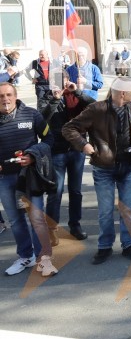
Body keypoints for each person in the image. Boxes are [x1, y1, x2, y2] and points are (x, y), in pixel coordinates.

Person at [62, 77, 131, 264]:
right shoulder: (96, 109)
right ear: (123, 93)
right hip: (104, 168)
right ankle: (105, 246)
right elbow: (69, 128)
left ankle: (128, 245)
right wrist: (84, 145)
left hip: (128, 165)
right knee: (106, 211)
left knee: (127, 210)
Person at [0, 82, 57, 277]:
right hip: (5, 178)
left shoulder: (32, 115)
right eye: (1, 96)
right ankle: (26, 256)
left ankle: (44, 259)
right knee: (16, 220)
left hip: (30, 177)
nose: (5, 99)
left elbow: (49, 140)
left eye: (8, 95)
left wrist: (33, 156)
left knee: (36, 219)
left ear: (15, 96)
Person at [42, 80, 96, 243]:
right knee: (55, 192)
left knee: (76, 191)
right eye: (58, 81)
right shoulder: (47, 97)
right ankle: (51, 229)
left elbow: (94, 107)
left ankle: (75, 225)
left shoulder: (76, 97)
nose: (62, 85)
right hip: (57, 150)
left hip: (76, 149)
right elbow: (43, 118)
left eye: (65, 81)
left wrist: (78, 91)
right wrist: (55, 99)